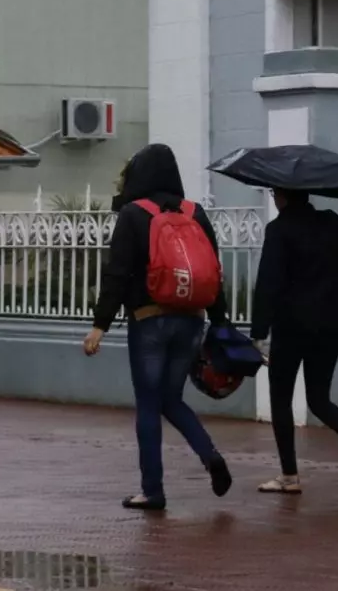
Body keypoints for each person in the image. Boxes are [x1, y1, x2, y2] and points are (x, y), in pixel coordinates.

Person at [83, 143, 232, 511]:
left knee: (149, 404)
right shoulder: (196, 213)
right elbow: (213, 270)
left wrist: (100, 325)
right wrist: (221, 322)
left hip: (149, 321)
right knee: (171, 399)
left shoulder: (135, 214)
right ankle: (209, 454)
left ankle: (152, 490)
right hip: (192, 320)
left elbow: (117, 273)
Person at [250, 188, 338, 494]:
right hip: (330, 323)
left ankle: (289, 476)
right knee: (319, 398)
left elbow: (268, 282)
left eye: (274, 192)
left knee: (281, 399)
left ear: (284, 196)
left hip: (291, 326)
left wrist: (259, 332)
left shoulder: (279, 230)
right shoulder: (332, 222)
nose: (273, 197)